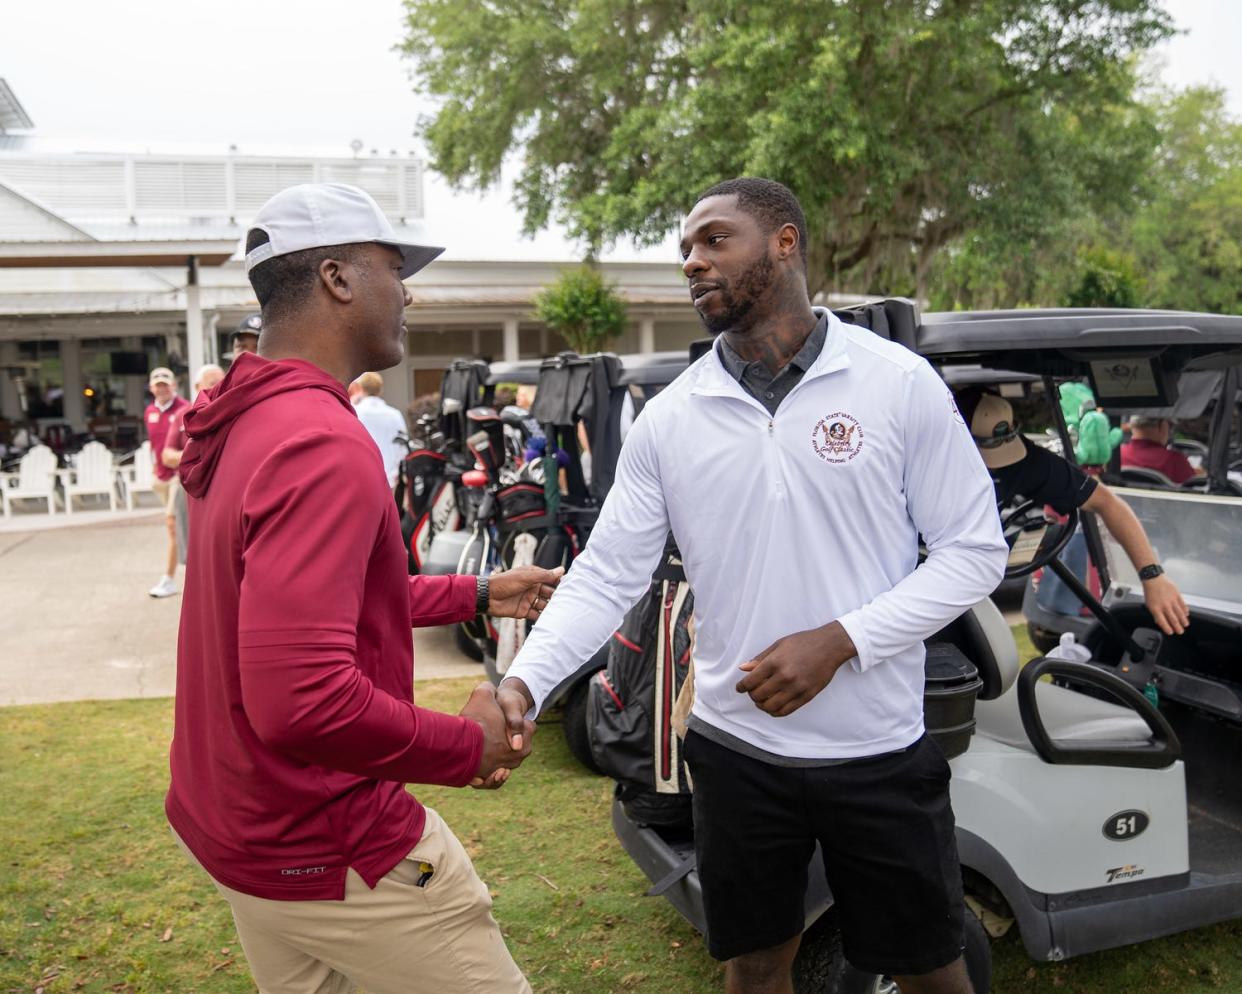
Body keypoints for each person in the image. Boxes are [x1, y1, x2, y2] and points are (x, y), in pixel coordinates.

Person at [501, 177, 1008, 994]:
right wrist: (525, 679)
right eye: (684, 252)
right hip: (738, 750)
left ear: (784, 242)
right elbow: (607, 573)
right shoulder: (670, 416)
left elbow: (974, 553)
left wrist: (842, 641)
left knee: (931, 970)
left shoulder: (896, 382)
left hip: (875, 750)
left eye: (713, 240)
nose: (693, 264)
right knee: (755, 964)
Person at [166, 182, 561, 994]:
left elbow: (316, 603)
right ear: (338, 279)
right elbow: (304, 698)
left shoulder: (244, 418)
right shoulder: (317, 440)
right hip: (333, 842)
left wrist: (476, 594)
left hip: (242, 835)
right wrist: (468, 745)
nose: (408, 290)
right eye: (394, 266)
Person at [954, 388, 1190, 636]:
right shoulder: (926, 470)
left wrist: (1152, 576)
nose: (1000, 463)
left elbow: (1107, 502)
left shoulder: (1024, 460)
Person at [162, 364, 225, 566]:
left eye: (223, 383)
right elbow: (167, 455)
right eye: (213, 384)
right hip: (189, 484)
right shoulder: (185, 414)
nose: (220, 388)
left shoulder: (231, 412)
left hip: (224, 484)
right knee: (187, 542)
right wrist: (196, 456)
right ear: (197, 386)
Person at [144, 366, 189, 598]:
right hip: (160, 475)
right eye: (158, 385)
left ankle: (169, 578)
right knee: (173, 527)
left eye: (166, 384)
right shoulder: (150, 411)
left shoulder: (184, 409)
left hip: (177, 476)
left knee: (173, 526)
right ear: (152, 387)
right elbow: (154, 444)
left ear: (173, 385)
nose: (162, 389)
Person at [353, 370, 409, 489]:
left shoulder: (355, 412)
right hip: (391, 478)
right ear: (380, 390)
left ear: (361, 388)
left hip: (363, 476)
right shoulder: (394, 414)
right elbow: (403, 447)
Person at [1121, 415, 1200, 484]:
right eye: (1169, 425)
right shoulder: (1174, 459)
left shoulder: (1117, 455)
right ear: (1163, 425)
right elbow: (1193, 488)